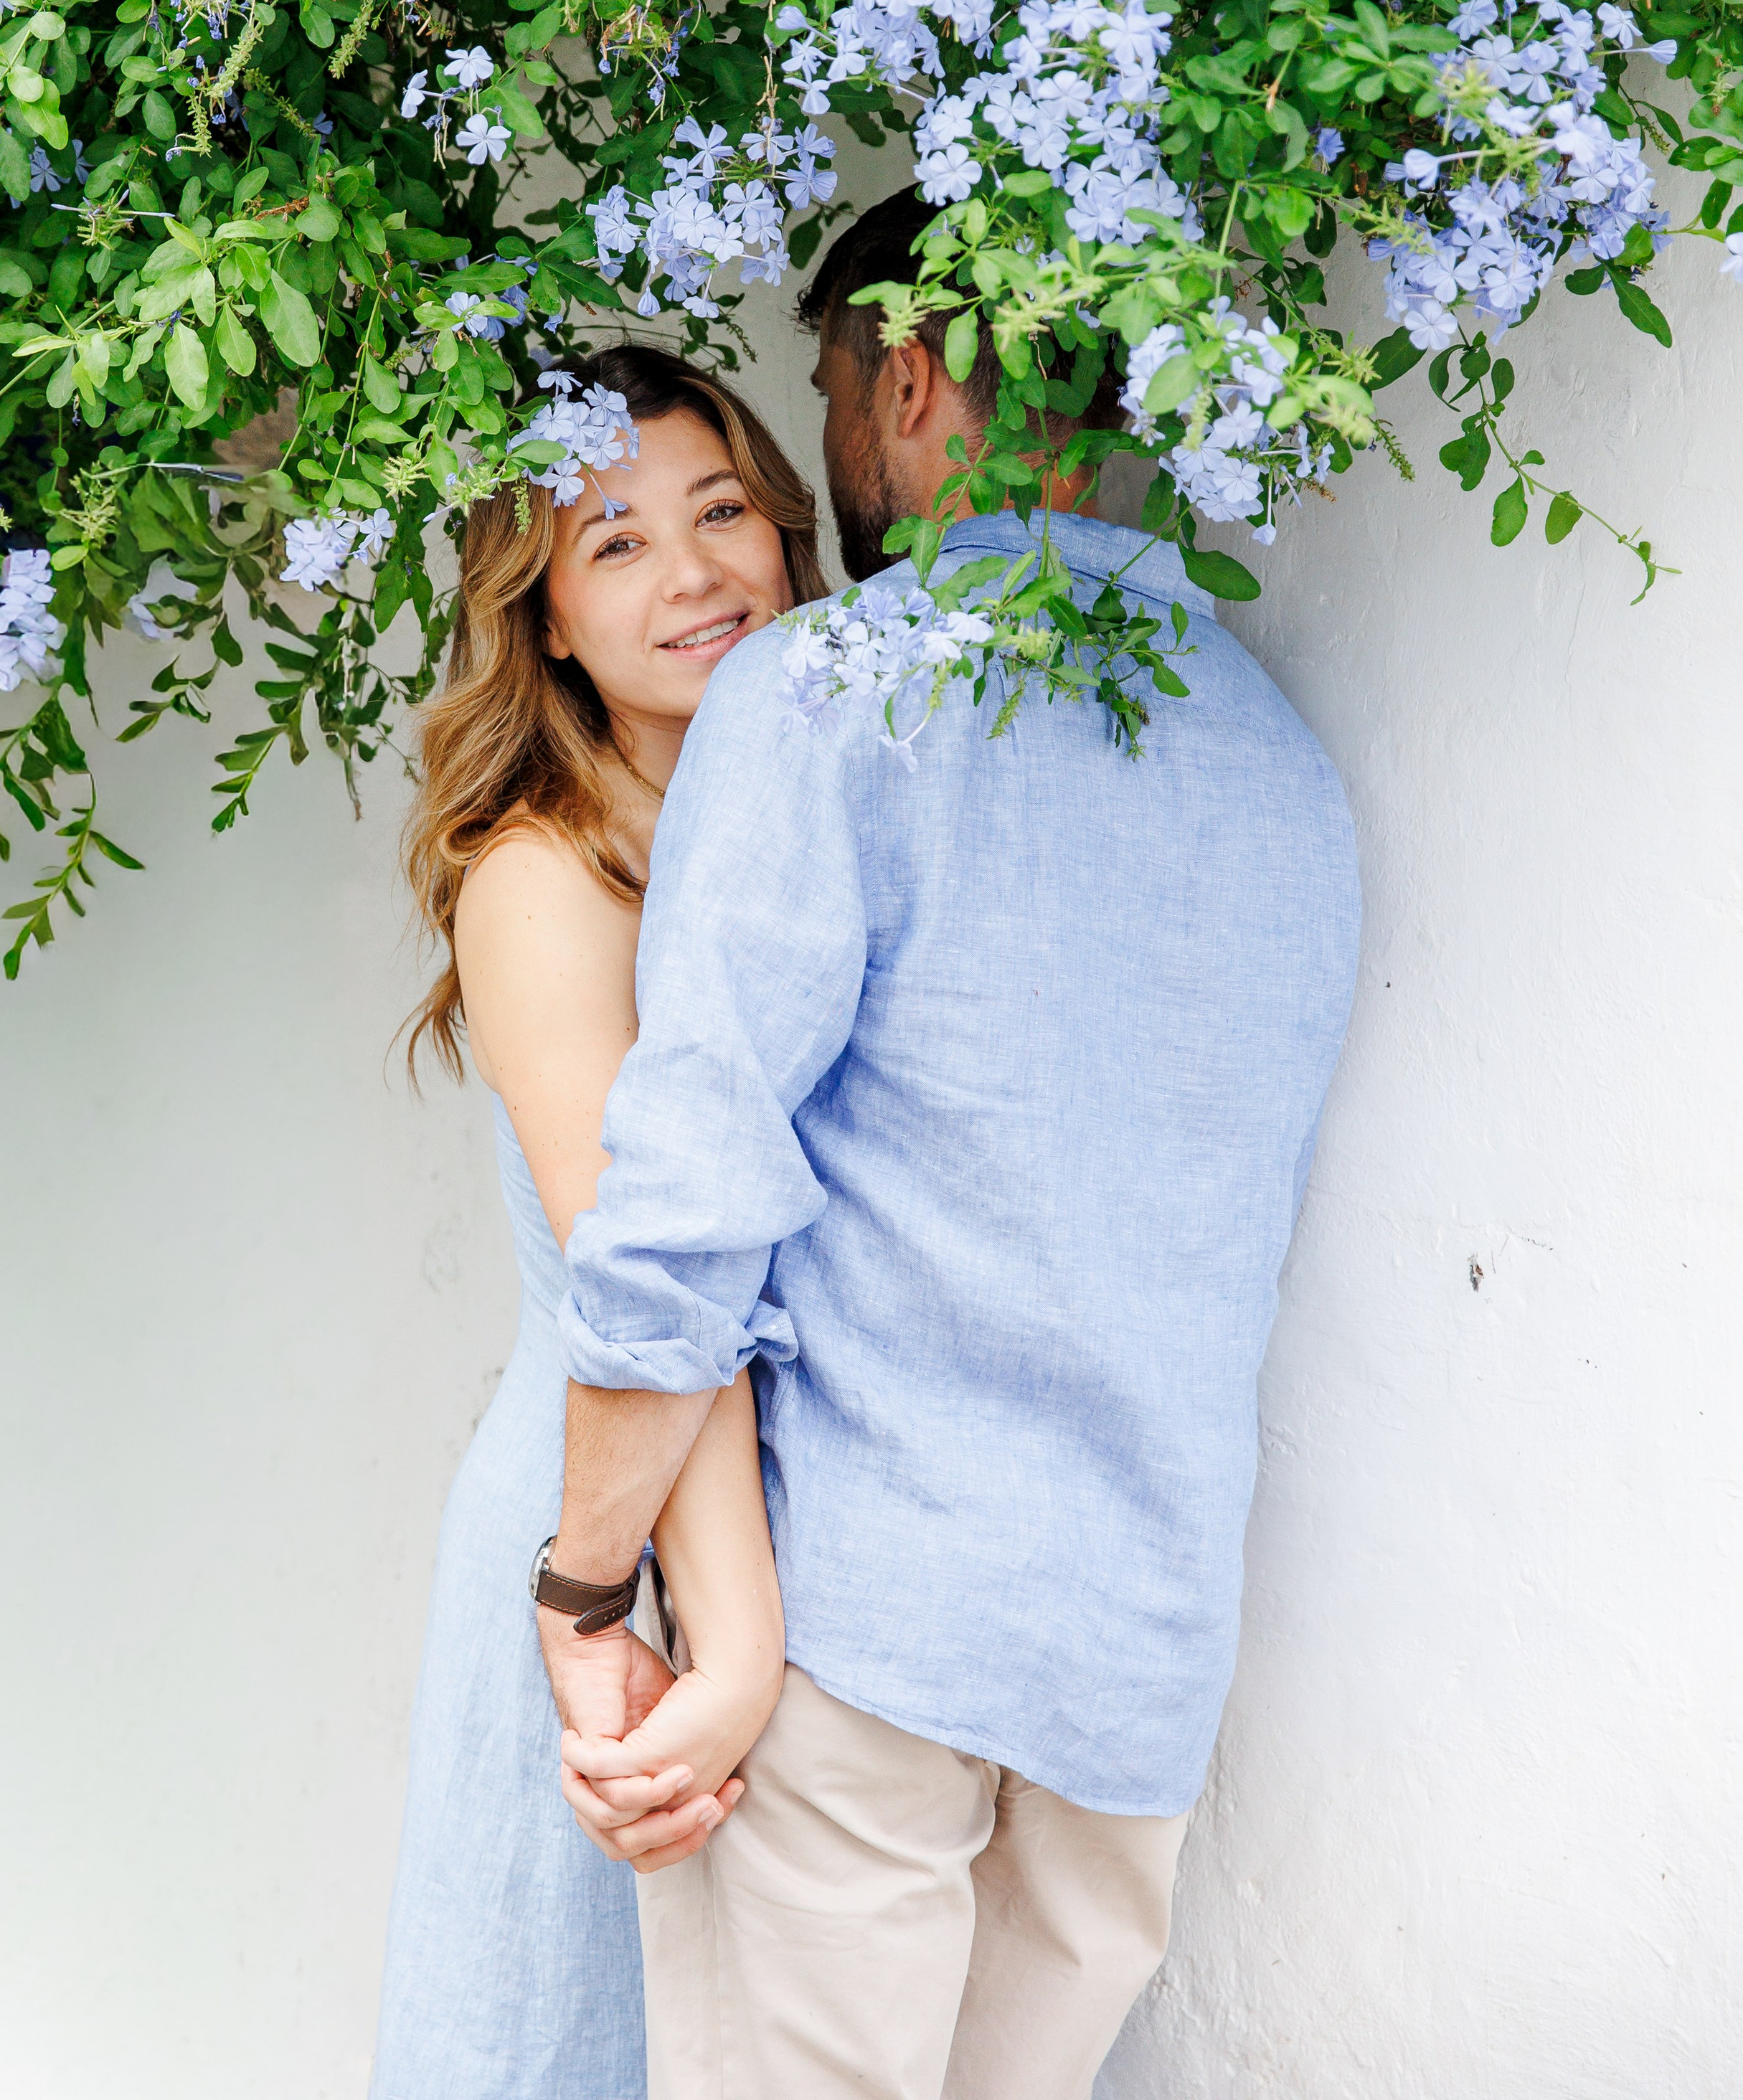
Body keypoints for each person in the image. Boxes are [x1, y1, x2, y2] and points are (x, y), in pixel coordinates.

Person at [536, 189, 1364, 2100]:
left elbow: (687, 1201)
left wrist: (583, 1588)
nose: (830, 461)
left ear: (909, 381)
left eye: (829, 397)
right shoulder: (1284, 768)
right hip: (1135, 1663)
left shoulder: (835, 695)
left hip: (859, 1646)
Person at [370, 345, 825, 2100]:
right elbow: (657, 1288)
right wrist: (719, 1632)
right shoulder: (544, 875)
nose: (694, 572)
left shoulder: (797, 825)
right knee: (565, 2041)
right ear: (544, 617)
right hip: (618, 1532)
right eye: (615, 541)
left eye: (721, 513)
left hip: (774, 1548)